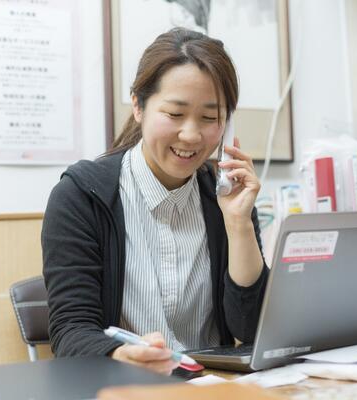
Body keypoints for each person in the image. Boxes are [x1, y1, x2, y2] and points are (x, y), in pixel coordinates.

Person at [42, 28, 268, 376]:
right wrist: (120, 356)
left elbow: (250, 330)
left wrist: (239, 225)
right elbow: (70, 333)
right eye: (175, 114)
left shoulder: (226, 197)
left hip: (210, 387)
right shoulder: (82, 196)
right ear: (138, 105)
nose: (192, 135)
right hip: (124, 385)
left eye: (210, 118)